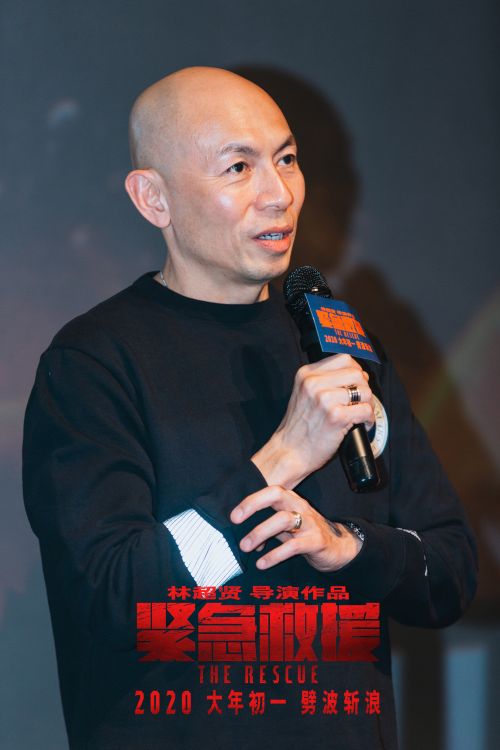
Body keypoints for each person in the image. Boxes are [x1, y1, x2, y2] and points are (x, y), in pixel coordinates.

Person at [23, 67, 477, 750]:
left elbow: (451, 575)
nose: (279, 195)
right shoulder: (93, 363)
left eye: (287, 160)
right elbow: (113, 601)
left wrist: (346, 548)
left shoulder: (338, 346)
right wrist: (283, 458)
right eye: (238, 168)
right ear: (153, 198)